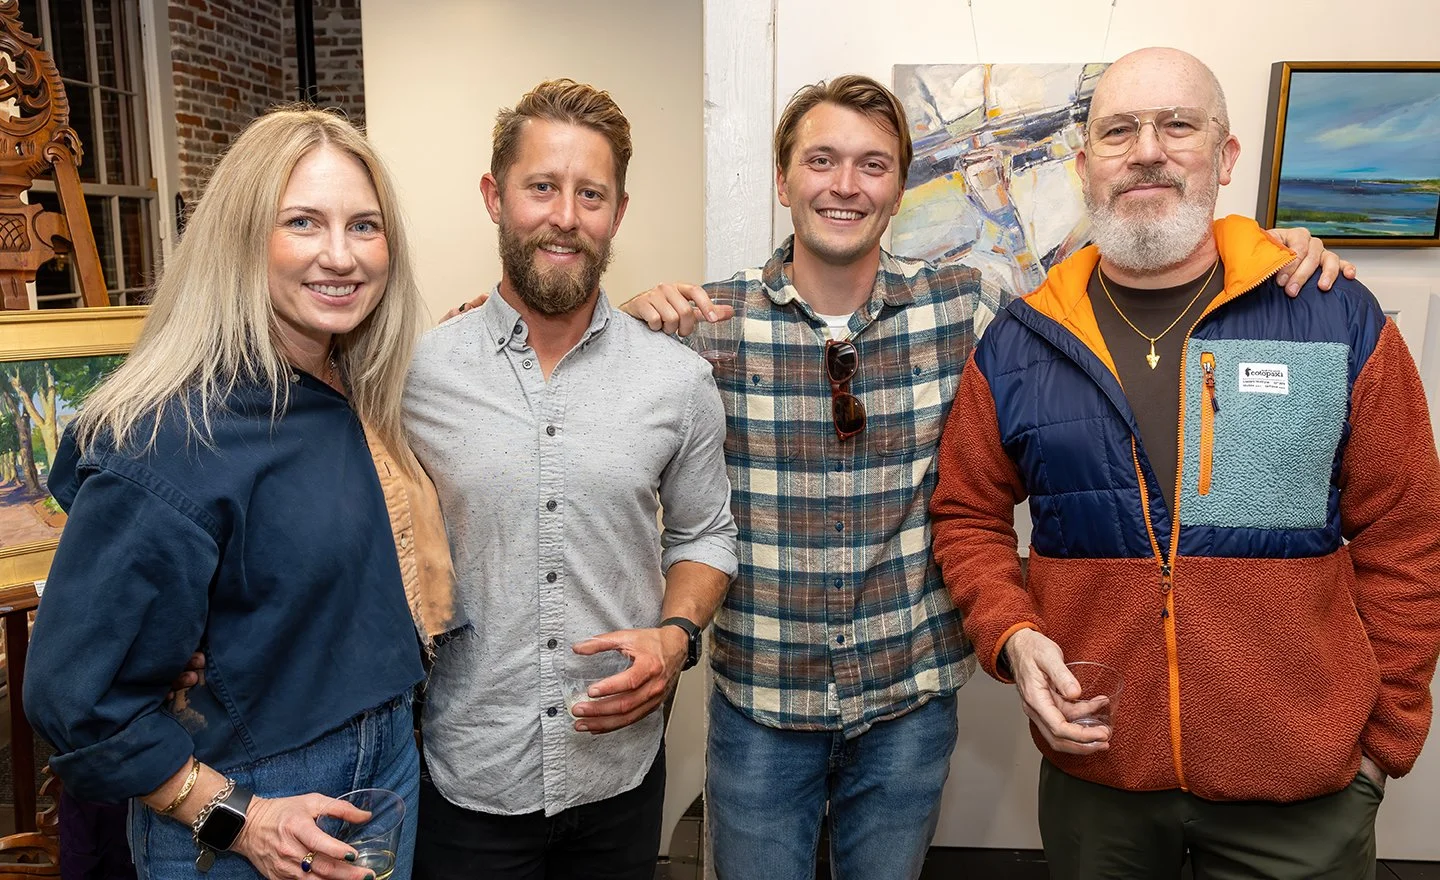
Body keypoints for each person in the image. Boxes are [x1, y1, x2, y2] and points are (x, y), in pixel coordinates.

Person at [614, 74, 1354, 879]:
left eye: (873, 164)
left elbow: (1106, 297)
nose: (845, 185)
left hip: (908, 701)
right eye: (820, 160)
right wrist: (618, 319)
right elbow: (594, 415)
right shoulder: (708, 324)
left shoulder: (970, 306)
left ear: (899, 187)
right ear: (783, 179)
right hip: (761, 697)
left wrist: (1264, 254)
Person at [930, 47, 1440, 879]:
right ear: (1085, 164)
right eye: (1117, 131)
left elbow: (1408, 533)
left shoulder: (1330, 315)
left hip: (1301, 793)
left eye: (1178, 125)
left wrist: (1384, 743)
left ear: (1225, 155)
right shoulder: (1021, 342)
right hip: (1099, 772)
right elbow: (965, 516)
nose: (1147, 151)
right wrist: (1011, 635)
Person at [25, 107, 461, 880]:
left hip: (389, 758)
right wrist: (238, 817)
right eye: (303, 222)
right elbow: (76, 700)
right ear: (241, 238)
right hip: (252, 798)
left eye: (364, 225)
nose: (341, 255)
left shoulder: (347, 383)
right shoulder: (170, 433)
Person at [403, 79, 737, 880]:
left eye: (591, 194)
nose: (566, 215)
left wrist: (676, 636)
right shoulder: (416, 374)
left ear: (617, 213)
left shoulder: (676, 380)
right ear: (495, 197)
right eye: (541, 187)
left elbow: (706, 534)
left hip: (617, 773)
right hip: (467, 773)